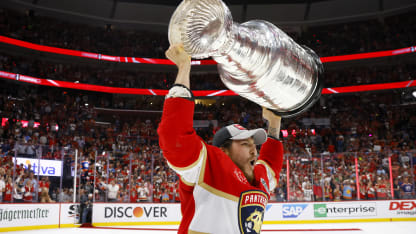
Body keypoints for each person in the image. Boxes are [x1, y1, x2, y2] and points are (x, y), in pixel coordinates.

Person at [158, 44, 283, 234]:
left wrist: (274, 121)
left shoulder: (259, 177)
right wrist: (184, 68)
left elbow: (271, 164)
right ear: (223, 151)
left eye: (253, 144)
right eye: (244, 144)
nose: (254, 150)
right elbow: (174, 137)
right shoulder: (207, 165)